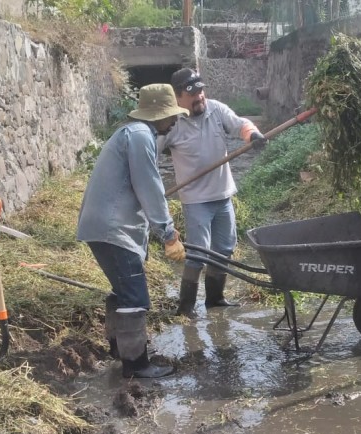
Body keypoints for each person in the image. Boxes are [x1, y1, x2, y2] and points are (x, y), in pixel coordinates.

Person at [77, 84, 188, 379]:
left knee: (124, 290)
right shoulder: (140, 137)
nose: (175, 120)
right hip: (114, 229)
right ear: (158, 114)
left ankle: (118, 349)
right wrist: (168, 233)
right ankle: (136, 364)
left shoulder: (132, 133)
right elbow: (149, 187)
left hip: (104, 226)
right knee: (136, 297)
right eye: (171, 115)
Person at [159, 68, 267, 318]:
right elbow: (150, 152)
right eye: (192, 94)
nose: (199, 97)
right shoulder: (172, 122)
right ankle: (185, 308)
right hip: (196, 200)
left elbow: (240, 124)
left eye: (201, 91)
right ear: (177, 97)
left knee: (224, 249)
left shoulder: (216, 109)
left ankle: (215, 299)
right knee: (197, 253)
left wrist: (252, 135)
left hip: (222, 195)